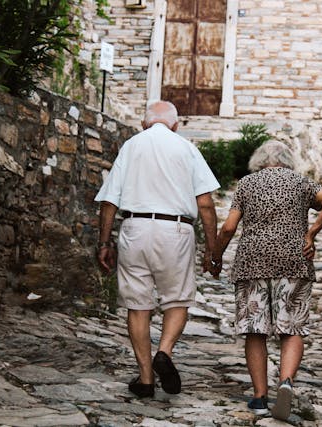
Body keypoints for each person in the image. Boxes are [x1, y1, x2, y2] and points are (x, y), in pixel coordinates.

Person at [94, 100, 220, 398]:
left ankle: (146, 379)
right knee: (176, 300)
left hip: (135, 229)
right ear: (176, 125)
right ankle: (164, 352)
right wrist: (212, 250)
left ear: (143, 123)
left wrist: (103, 242)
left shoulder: (131, 146)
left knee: (138, 305)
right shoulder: (186, 148)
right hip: (176, 230)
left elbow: (110, 200)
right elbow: (205, 203)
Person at [209, 140, 322, 420]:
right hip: (293, 260)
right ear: (287, 160)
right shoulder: (301, 182)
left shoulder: (246, 184)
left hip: (253, 262)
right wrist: (311, 234)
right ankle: (286, 382)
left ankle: (259, 397)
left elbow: (229, 227)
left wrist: (216, 257)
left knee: (255, 330)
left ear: (258, 161)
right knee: (291, 327)